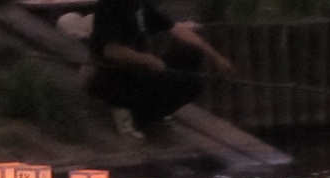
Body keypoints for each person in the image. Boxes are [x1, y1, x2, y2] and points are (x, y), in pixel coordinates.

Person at [87, 0, 235, 140]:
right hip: (115, 77)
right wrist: (147, 59)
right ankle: (138, 114)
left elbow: (176, 28)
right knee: (194, 84)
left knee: (192, 53)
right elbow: (112, 51)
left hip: (139, 70)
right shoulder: (111, 4)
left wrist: (215, 56)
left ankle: (152, 110)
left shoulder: (139, 4)